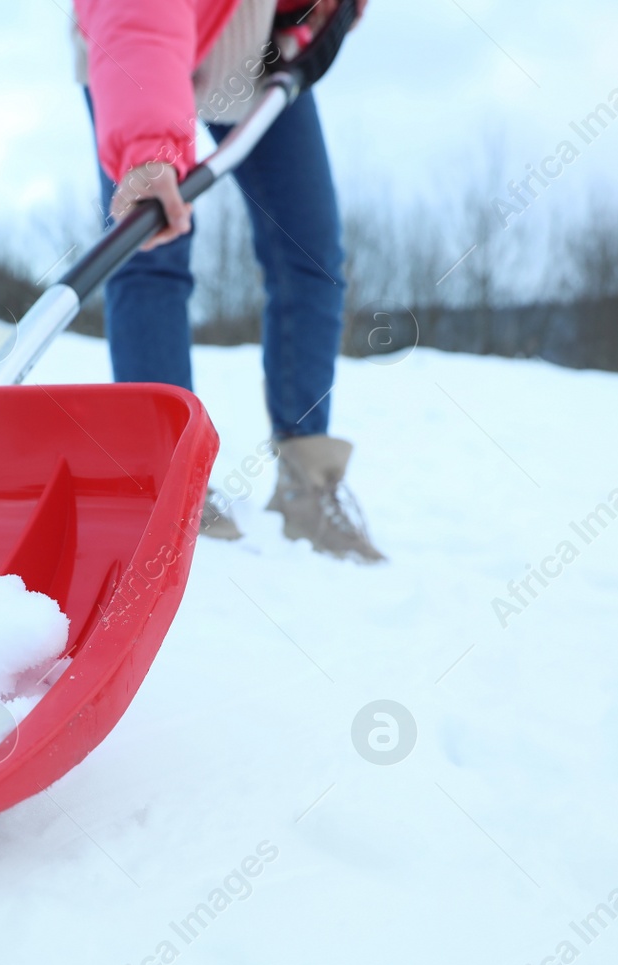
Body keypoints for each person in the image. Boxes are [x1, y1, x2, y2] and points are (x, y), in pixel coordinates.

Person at [72, 0, 384, 562]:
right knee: (151, 242)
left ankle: (307, 484)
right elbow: (140, 19)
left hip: (256, 51)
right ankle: (165, 481)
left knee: (310, 252)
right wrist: (147, 152)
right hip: (138, 45)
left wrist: (318, 19)